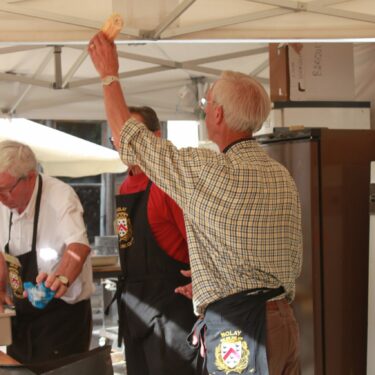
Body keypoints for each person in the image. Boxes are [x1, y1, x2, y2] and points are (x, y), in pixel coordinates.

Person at [89, 32, 303, 375]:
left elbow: (132, 140)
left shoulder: (212, 170)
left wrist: (109, 75)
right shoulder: (279, 174)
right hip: (281, 320)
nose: (204, 112)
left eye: (206, 106)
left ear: (218, 115)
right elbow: (266, 252)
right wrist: (209, 279)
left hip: (240, 327)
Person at [114, 105, 197, 375]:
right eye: (118, 138)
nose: (125, 145)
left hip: (172, 313)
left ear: (156, 136)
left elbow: (202, 246)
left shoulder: (168, 185)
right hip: (135, 310)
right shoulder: (125, 186)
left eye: (133, 136)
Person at [0, 140, 94, 364]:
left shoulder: (60, 196)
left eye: (6, 189)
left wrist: (61, 277)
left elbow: (78, 247)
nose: (1, 197)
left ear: (30, 177)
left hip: (61, 321)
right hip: (21, 318)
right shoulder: (3, 203)